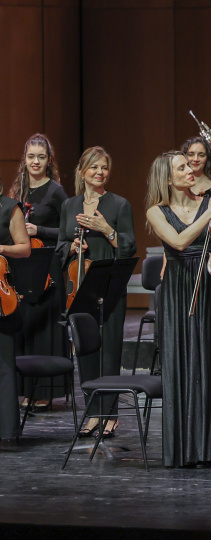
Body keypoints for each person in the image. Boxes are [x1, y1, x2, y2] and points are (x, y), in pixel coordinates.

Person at [145, 151, 211, 467]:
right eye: (181, 167)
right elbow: (180, 242)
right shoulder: (156, 212)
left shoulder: (209, 201)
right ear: (167, 178)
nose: (190, 169)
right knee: (182, 363)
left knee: (209, 363)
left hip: (208, 288)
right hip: (177, 292)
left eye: (191, 164)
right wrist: (209, 211)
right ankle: (184, 449)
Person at [56, 147, 137, 438]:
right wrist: (72, 248)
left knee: (109, 350)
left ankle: (110, 415)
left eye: (104, 167)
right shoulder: (70, 206)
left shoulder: (119, 205)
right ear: (82, 172)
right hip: (79, 287)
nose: (100, 172)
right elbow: (60, 247)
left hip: (109, 285)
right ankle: (92, 413)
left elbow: (129, 247)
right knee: (86, 351)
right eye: (94, 167)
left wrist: (107, 230)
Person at [9, 134, 69, 411]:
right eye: (31, 156)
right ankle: (24, 389)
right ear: (25, 159)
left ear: (48, 160)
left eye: (41, 157)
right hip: (22, 267)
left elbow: (68, 231)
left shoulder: (56, 191)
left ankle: (44, 392)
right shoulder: (18, 190)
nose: (35, 161)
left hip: (47, 268)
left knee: (44, 328)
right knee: (25, 326)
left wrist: (39, 230)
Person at [0, 175, 32, 442]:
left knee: (3, 364)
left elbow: (24, 248)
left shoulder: (9, 207)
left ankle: (6, 431)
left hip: (1, 298)